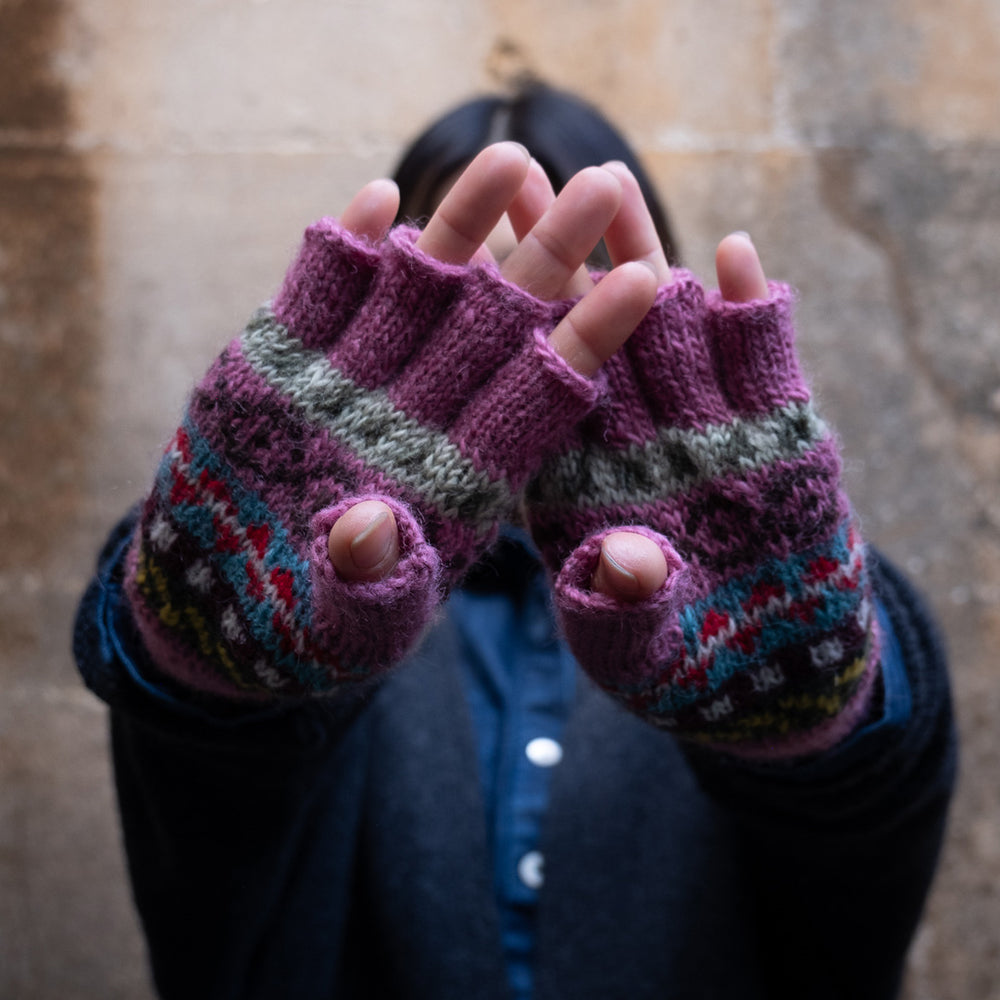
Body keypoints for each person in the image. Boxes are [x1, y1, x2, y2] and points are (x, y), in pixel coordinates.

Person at [73, 86, 956, 1000]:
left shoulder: (765, 598)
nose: (542, 354)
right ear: (386, 324)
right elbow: (200, 803)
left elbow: (865, 869)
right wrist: (208, 646)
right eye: (482, 304)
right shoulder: (302, 579)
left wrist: (814, 714)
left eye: (585, 300)